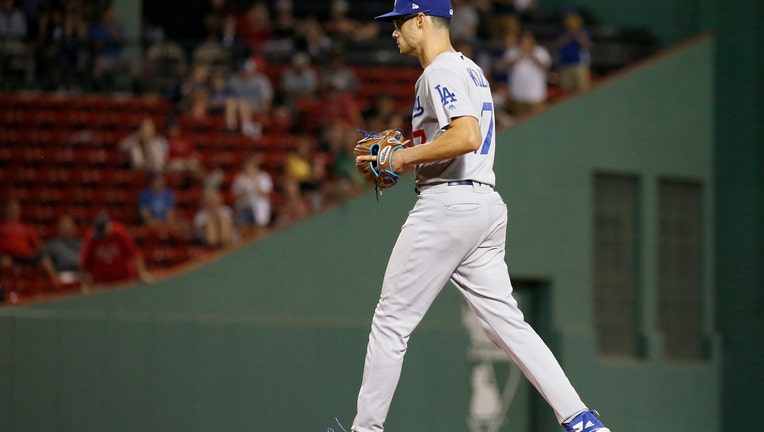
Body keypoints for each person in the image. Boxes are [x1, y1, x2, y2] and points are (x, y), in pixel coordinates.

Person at [350, 2, 611, 432]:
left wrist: (402, 158)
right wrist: (409, 159)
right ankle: (581, 420)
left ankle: (366, 430)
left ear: (420, 20)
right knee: (507, 324)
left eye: (398, 23)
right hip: (483, 206)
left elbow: (466, 135)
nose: (393, 32)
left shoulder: (440, 71)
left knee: (391, 321)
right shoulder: (469, 68)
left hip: (448, 206)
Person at [79, 212, 152, 286]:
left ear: (109, 226)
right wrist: (85, 285)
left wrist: (142, 273)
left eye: (103, 232)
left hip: (123, 280)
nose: (102, 236)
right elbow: (83, 265)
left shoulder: (119, 233)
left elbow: (134, 254)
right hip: (102, 285)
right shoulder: (91, 238)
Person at [501, 29, 551, 116]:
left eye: (528, 41)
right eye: (523, 42)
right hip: (518, 95)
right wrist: (520, 55)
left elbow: (545, 67)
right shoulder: (513, 52)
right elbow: (508, 65)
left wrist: (532, 56)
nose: (526, 44)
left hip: (536, 95)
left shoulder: (540, 51)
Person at [230, 155, 273, 235]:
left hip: (260, 208)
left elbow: (266, 193)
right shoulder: (240, 179)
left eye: (251, 166)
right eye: (247, 166)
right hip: (245, 208)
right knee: (245, 231)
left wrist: (255, 183)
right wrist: (243, 191)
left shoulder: (263, 177)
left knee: (260, 230)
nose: (249, 168)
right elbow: (235, 196)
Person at [554, 9, 592, 93]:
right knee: (566, 92)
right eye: (568, 19)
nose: (570, 21)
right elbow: (558, 44)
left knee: (582, 91)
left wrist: (576, 33)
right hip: (565, 65)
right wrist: (569, 33)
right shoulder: (561, 31)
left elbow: (587, 45)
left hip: (580, 65)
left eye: (572, 18)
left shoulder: (583, 31)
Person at [41, 215, 83, 288]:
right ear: (59, 229)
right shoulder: (53, 245)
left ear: (73, 228)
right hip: (63, 275)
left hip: (80, 274)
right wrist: (54, 276)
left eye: (69, 227)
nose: (67, 230)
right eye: (64, 228)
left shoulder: (80, 244)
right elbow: (46, 260)